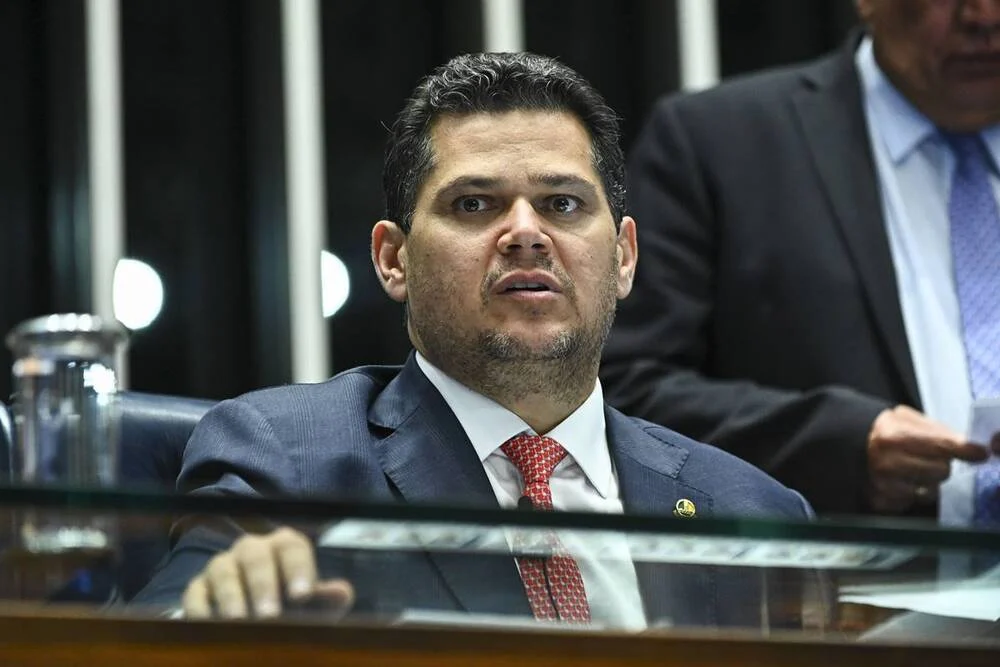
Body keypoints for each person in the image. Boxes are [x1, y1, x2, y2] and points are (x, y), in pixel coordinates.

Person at [134, 52, 815, 628]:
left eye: (563, 203)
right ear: (393, 259)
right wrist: (216, 617)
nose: (526, 233)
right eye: (473, 204)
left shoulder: (755, 512)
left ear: (624, 257)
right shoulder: (286, 459)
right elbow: (157, 631)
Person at [602, 0, 1000, 521]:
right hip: (844, 562)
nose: (984, 16)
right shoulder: (720, 143)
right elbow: (622, 383)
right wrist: (835, 445)